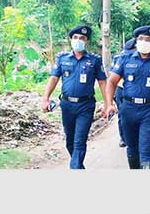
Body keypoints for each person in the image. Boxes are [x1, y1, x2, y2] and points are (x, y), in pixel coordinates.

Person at [104, 25, 150, 169]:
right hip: (128, 109)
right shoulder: (125, 58)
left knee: (146, 149)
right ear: (136, 41)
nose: (144, 42)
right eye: (141, 38)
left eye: (148, 39)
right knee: (132, 148)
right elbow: (111, 81)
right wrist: (109, 104)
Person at [41, 25, 107, 169]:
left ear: (87, 41)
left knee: (79, 141)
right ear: (71, 39)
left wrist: (108, 104)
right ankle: (78, 166)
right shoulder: (62, 58)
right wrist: (45, 98)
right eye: (75, 37)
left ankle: (75, 167)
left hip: (86, 105)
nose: (78, 40)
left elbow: (102, 82)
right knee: (69, 142)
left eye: (82, 38)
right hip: (67, 105)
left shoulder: (94, 60)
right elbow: (54, 78)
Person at [110, 38, 136, 148]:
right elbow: (112, 76)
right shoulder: (119, 58)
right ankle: (123, 137)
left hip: (136, 90)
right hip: (122, 89)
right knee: (122, 115)